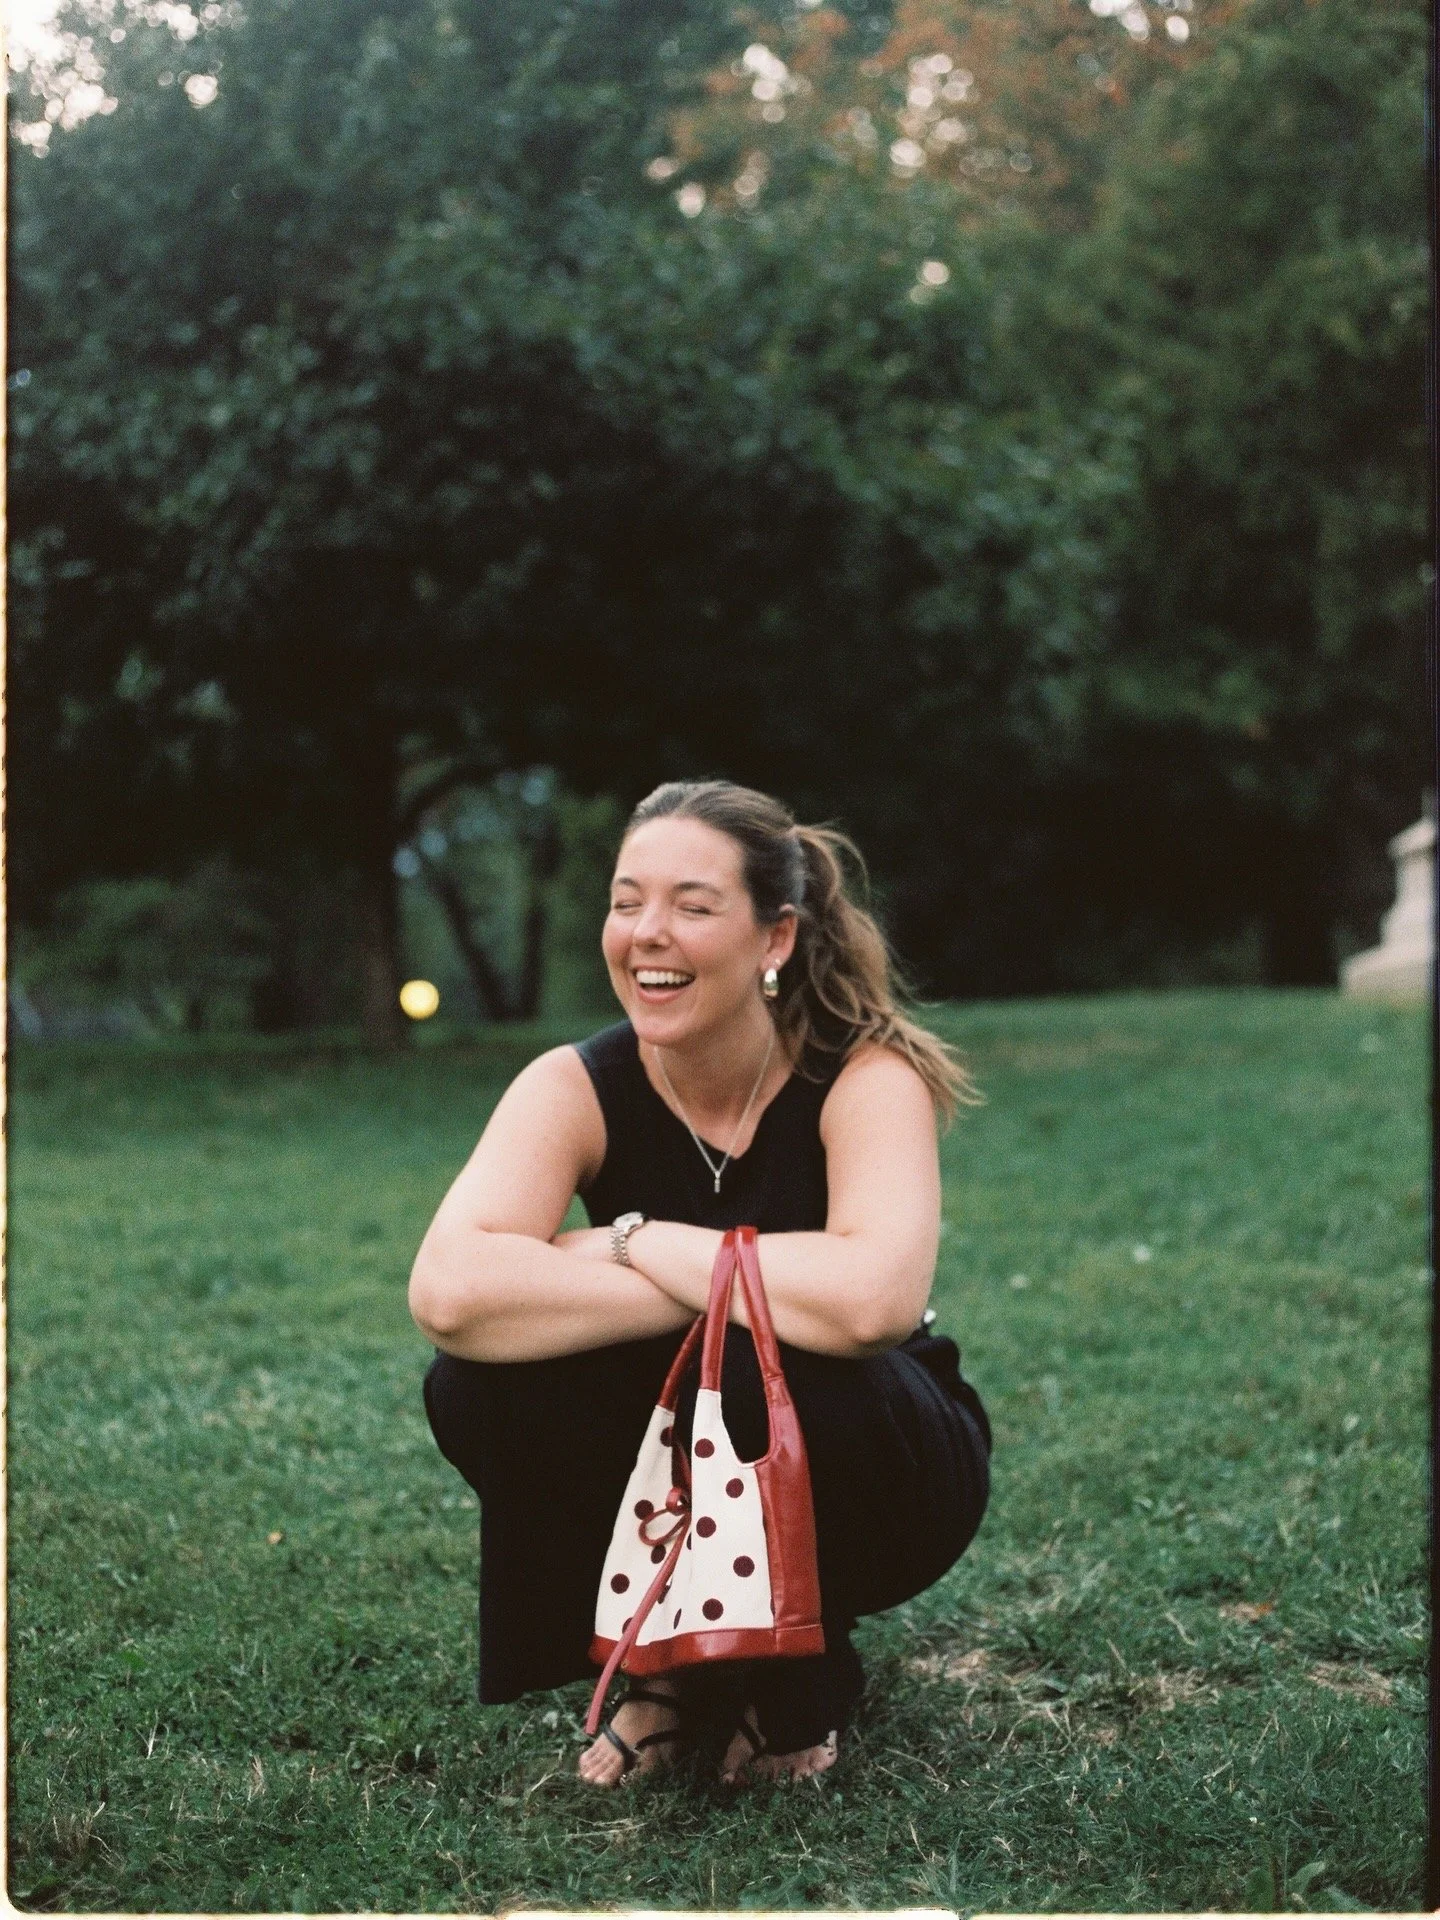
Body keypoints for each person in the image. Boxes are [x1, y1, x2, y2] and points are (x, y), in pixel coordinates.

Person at [410, 779, 992, 1788]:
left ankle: (798, 1672)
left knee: (783, 1358)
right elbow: (453, 1293)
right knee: (477, 1382)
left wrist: (628, 1242)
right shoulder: (573, 1084)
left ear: (774, 939)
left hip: (879, 1447)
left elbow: (871, 1306)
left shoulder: (868, 1077)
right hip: (683, 1430)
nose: (647, 933)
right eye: (626, 900)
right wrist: (739, 1280)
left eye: (692, 905)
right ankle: (657, 1672)